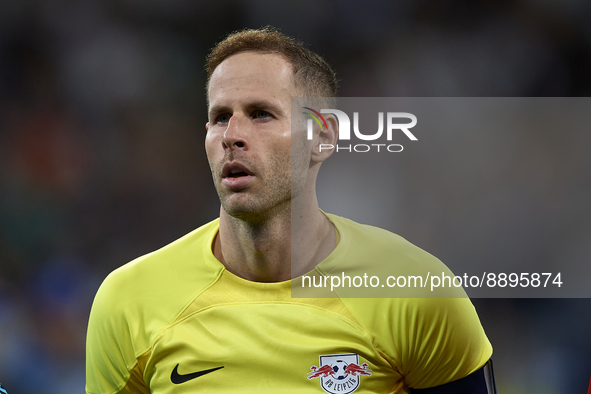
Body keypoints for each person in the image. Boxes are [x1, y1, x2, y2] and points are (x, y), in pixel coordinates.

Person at [86, 27, 495, 394]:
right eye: (220, 117)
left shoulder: (416, 290)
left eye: (261, 114)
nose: (233, 136)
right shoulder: (129, 301)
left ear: (322, 137)